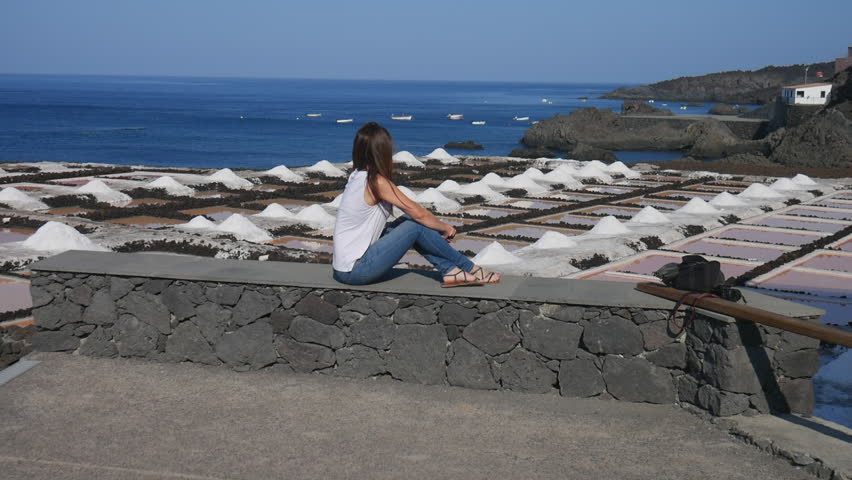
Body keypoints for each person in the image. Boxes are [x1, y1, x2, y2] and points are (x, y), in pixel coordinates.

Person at [332, 122, 501, 287]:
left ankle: (450, 270)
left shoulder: (356, 176)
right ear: (382, 152)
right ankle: (471, 268)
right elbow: (418, 213)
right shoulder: (375, 181)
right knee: (415, 226)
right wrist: (445, 228)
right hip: (355, 271)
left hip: (344, 268)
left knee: (408, 221)